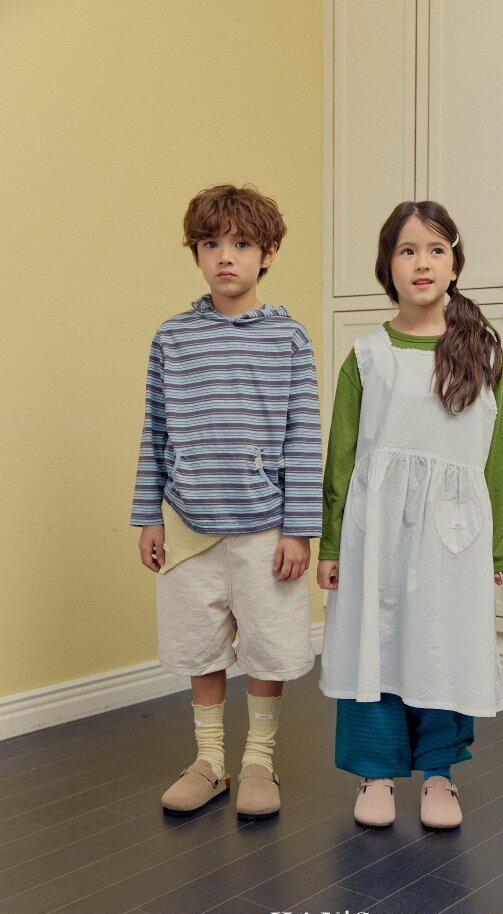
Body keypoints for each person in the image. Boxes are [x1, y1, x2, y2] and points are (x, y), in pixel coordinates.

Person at [317, 200, 503, 830]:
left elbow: (496, 457)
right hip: (376, 531)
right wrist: (331, 544)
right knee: (374, 642)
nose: (422, 263)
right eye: (407, 250)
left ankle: (439, 774)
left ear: (455, 264)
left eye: (436, 250)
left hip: (452, 533)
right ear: (388, 265)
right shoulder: (367, 355)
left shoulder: (483, 354)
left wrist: (501, 547)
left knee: (443, 642)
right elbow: (341, 457)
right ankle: (376, 773)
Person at [131, 183, 322, 820]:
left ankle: (259, 761)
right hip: (189, 526)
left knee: (269, 646)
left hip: (266, 528)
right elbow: (155, 430)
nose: (225, 257)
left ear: (268, 254)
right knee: (200, 645)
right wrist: (147, 515)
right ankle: (210, 761)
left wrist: (300, 528)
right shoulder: (172, 338)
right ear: (196, 254)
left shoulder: (289, 339)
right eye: (211, 244)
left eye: (241, 244)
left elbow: (303, 437)